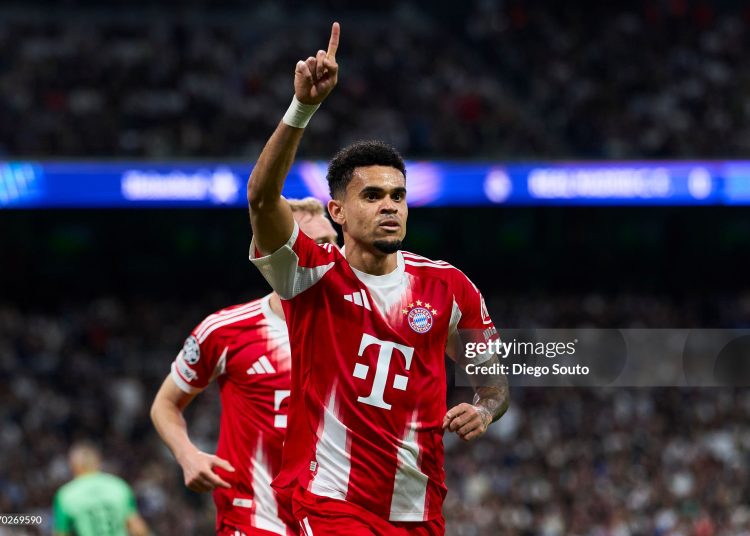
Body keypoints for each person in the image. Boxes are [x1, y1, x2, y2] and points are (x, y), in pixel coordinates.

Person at [246, 22, 509, 535]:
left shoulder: (450, 286)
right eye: (372, 196)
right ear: (337, 211)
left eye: (398, 195)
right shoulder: (310, 274)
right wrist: (302, 109)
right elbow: (260, 198)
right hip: (329, 503)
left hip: (419, 509)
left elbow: (492, 380)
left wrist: (485, 409)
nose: (389, 205)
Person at [150, 198, 337, 536]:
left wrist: (469, 395)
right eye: (320, 244)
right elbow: (165, 404)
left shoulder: (363, 328)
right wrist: (187, 455)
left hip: (335, 522)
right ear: (285, 252)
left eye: (335, 243)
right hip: (254, 521)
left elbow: (465, 330)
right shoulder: (226, 330)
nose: (335, 255)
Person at [53, 442, 150, 536]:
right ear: (97, 462)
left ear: (72, 466)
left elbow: (61, 533)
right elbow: (138, 529)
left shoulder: (66, 495)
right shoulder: (118, 486)